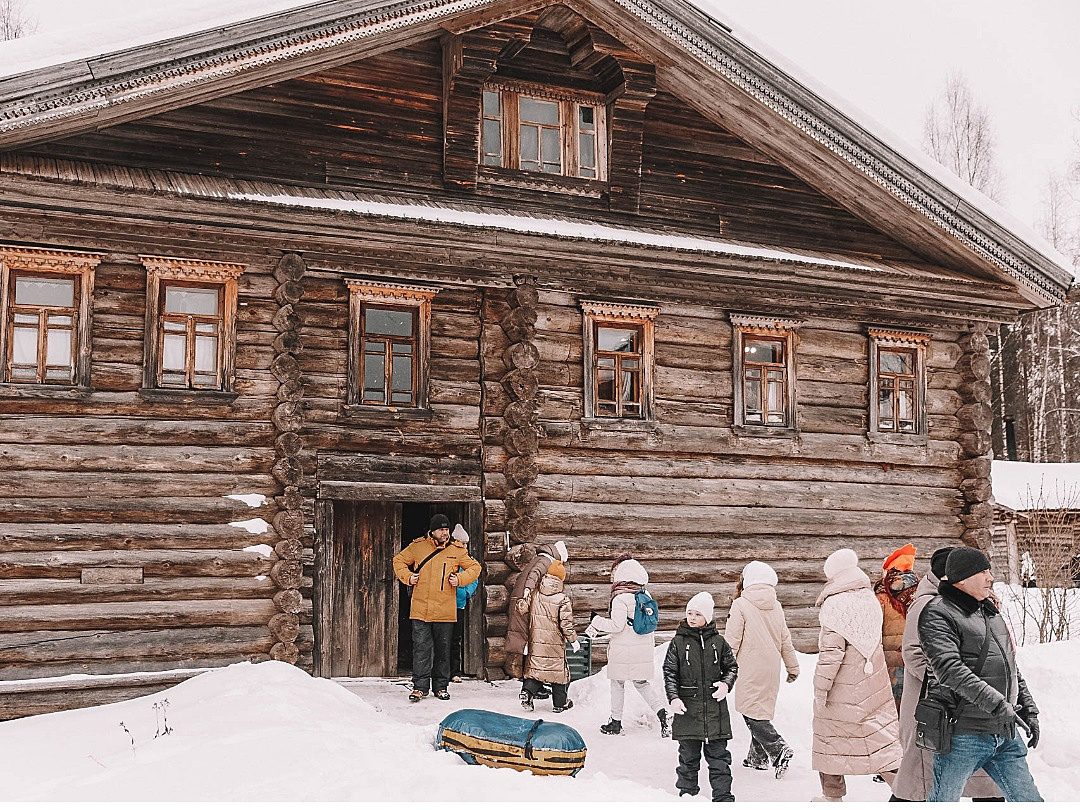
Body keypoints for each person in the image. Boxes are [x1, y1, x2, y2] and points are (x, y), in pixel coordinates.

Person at [918, 547, 1042, 802]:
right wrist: (998, 705)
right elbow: (949, 670)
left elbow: (1009, 666)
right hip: (963, 733)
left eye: (989, 570)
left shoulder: (988, 611)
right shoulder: (937, 612)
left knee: (1030, 801)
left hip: (1005, 731)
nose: (990, 577)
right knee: (943, 802)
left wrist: (1028, 709)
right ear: (962, 578)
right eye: (982, 571)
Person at [892, 546, 1001, 802]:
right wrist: (955, 682)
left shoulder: (970, 601)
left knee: (988, 778)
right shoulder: (925, 605)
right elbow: (914, 654)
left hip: (969, 706)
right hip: (933, 706)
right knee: (920, 781)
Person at [812, 548, 902, 801]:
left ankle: (832, 796)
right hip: (872, 680)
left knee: (827, 740)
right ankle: (906, 791)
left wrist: (821, 688)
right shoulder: (869, 598)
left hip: (842, 686)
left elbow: (832, 653)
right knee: (879, 740)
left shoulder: (834, 604)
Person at [391, 513, 481, 703]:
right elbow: (398, 561)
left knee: (443, 650)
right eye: (441, 529)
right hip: (420, 609)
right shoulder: (418, 547)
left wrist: (460, 580)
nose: (445, 533)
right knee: (421, 649)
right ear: (432, 531)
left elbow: (475, 568)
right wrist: (408, 577)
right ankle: (419, 687)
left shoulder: (457, 550)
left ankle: (440, 687)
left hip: (445, 610)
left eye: (447, 529)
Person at [724, 561, 799, 778]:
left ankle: (777, 748)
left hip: (749, 666)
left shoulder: (740, 605)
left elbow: (732, 641)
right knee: (760, 709)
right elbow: (786, 639)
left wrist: (723, 667)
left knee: (750, 710)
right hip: (771, 666)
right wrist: (792, 666)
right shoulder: (776, 605)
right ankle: (757, 759)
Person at [663, 591, 739, 802]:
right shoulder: (678, 643)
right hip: (688, 709)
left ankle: (723, 798)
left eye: (697, 613)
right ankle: (688, 796)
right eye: (690, 613)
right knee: (688, 759)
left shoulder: (719, 642)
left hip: (715, 711)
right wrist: (674, 697)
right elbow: (670, 672)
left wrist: (726, 684)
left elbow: (731, 667)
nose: (692, 617)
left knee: (720, 760)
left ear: (708, 616)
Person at [585, 556, 670, 738]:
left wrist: (596, 621)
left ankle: (615, 723)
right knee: (642, 684)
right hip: (642, 649)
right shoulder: (645, 596)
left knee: (617, 683)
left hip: (624, 650)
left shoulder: (621, 598)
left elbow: (617, 626)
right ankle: (663, 715)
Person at [504, 541, 569, 683]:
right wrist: (528, 590)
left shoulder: (539, 559)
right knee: (532, 643)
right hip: (525, 604)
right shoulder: (545, 561)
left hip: (523, 602)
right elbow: (534, 575)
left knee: (529, 643)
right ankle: (532, 682)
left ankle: (533, 683)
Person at [520, 559, 578, 713]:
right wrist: (573, 639)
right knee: (558, 673)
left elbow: (522, 608)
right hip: (554, 642)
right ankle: (560, 704)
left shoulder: (535, 594)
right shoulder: (562, 599)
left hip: (536, 639)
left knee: (536, 669)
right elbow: (566, 624)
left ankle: (527, 692)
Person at [874, 544, 920, 709]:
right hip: (915, 660)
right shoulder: (919, 592)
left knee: (890, 709)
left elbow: (874, 632)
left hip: (888, 663)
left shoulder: (881, 597)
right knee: (912, 706)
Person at [451, 523, 479, 683]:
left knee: (455, 639)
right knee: (441, 639)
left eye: (465, 543)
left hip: (459, 604)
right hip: (443, 604)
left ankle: (454, 671)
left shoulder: (468, 560)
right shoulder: (447, 556)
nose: (464, 546)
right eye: (461, 543)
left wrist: (466, 592)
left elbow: (474, 577)